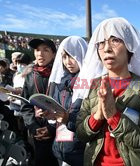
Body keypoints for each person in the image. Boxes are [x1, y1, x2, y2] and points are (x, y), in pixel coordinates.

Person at [75, 17, 140, 166]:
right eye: (101, 43)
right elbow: (81, 134)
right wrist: (97, 116)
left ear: (129, 47)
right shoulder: (94, 85)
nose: (107, 48)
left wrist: (114, 116)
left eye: (115, 40)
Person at [46, 36, 87, 166]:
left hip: (81, 151)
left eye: (72, 56)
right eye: (64, 57)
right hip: (61, 148)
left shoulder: (90, 83)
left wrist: (68, 118)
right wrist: (49, 118)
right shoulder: (61, 83)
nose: (68, 62)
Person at [20, 38, 59, 166]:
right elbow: (25, 106)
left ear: (54, 53)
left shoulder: (61, 75)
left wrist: (52, 128)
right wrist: (34, 127)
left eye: (45, 50)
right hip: (39, 133)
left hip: (59, 133)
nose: (40, 54)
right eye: (37, 50)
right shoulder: (30, 76)